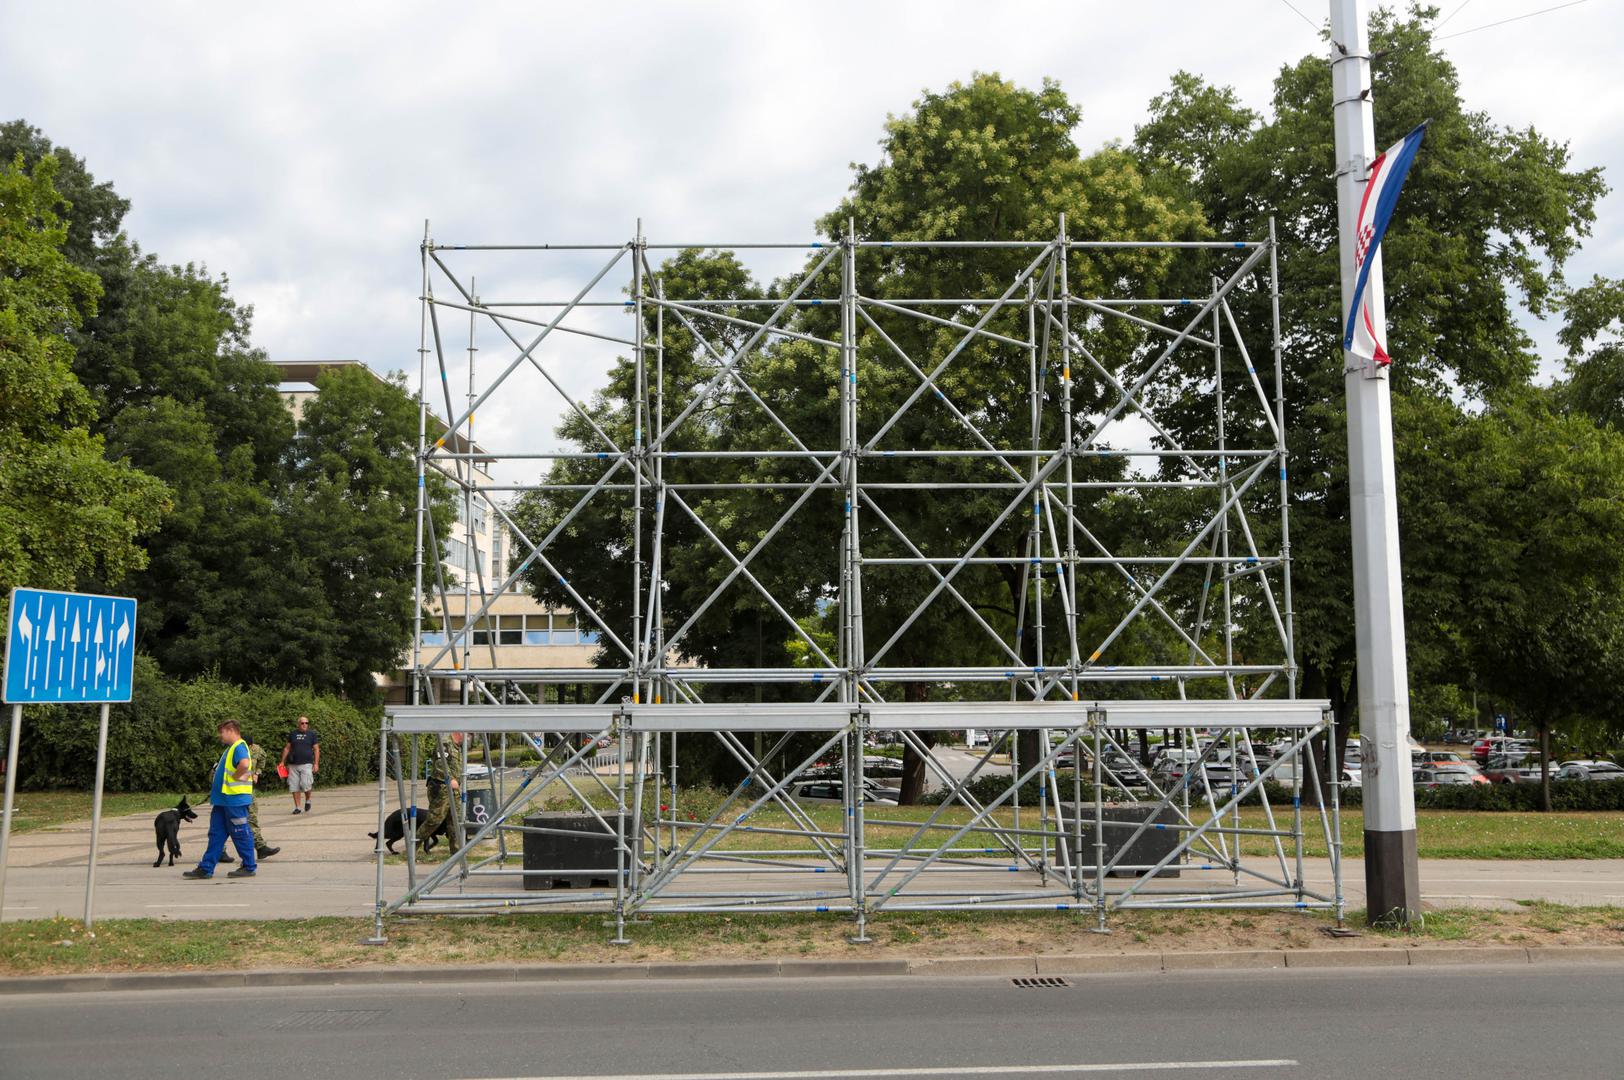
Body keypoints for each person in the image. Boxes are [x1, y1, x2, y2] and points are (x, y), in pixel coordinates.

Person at [183, 719, 258, 879]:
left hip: (234, 801)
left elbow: (244, 764)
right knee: (216, 835)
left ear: (230, 730)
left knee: (240, 833)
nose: (220, 736)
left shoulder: (239, 747)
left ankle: (249, 866)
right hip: (223, 801)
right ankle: (206, 868)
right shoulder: (231, 748)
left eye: (222, 732)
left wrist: (238, 776)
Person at [416, 731, 464, 854]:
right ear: (459, 732)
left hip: (454, 790)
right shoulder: (444, 744)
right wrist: (451, 779)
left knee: (455, 821)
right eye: (468, 735)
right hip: (441, 787)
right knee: (434, 820)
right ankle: (413, 846)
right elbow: (440, 764)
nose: (469, 738)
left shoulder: (457, 747)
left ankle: (456, 852)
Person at [280, 714, 320, 814]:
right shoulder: (293, 734)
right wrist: (282, 762)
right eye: (302, 723)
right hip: (293, 764)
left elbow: (316, 749)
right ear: (298, 724)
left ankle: (308, 800)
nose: (304, 725)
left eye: (306, 723)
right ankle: (297, 807)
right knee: (294, 786)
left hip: (306, 764)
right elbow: (287, 748)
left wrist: (316, 763)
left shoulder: (312, 734)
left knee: (306, 784)